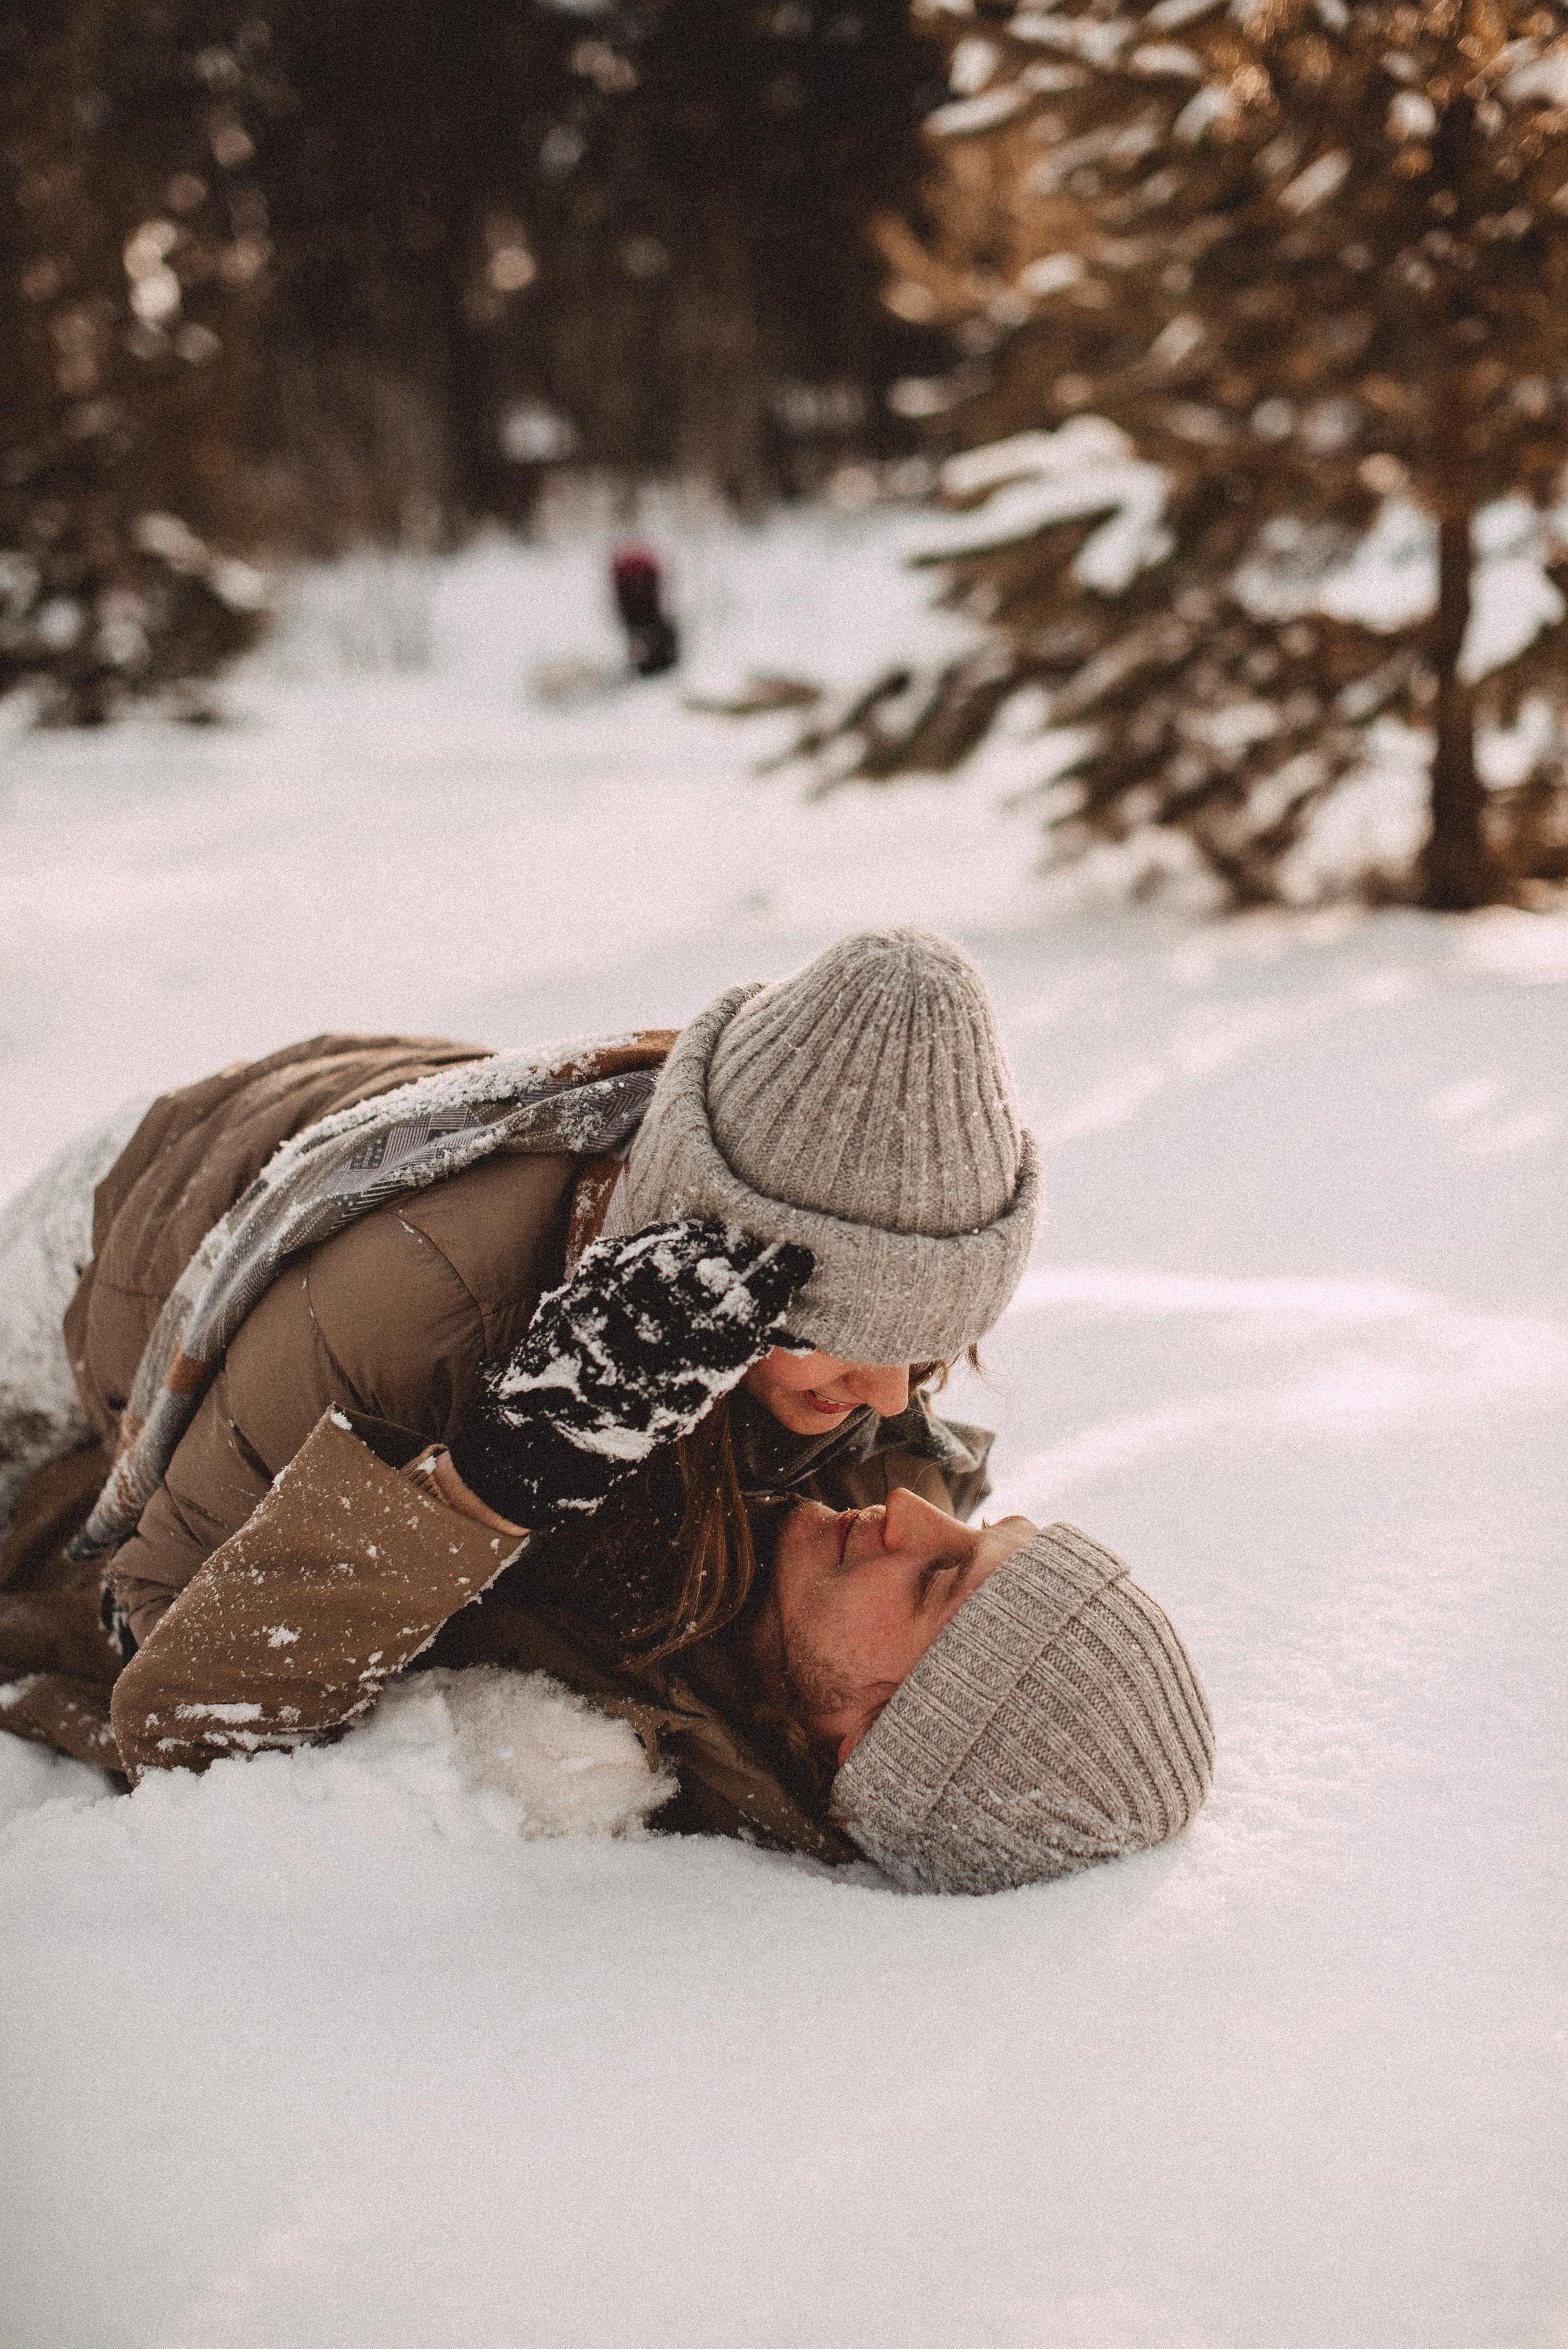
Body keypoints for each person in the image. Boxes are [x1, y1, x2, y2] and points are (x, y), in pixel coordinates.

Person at [0, 929, 1213, 1889]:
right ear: (691, 1259)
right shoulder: (423, 1303)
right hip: (148, 1208)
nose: (899, 1459)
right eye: (843, 1345)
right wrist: (487, 1488)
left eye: (943, 1572)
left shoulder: (829, 1436)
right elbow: (167, 1692)